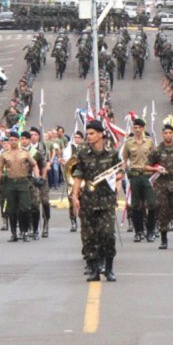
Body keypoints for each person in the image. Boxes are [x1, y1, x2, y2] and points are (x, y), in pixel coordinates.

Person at [71, 120, 122, 281]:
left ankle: (109, 268)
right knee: (89, 236)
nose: (89, 137)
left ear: (101, 134)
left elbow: (120, 171)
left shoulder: (112, 153)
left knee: (107, 235)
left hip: (106, 200)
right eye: (87, 134)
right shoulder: (83, 152)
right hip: (88, 200)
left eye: (92, 134)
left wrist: (114, 177)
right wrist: (74, 196)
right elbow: (78, 174)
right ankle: (93, 269)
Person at [0, 131, 37, 242]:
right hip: (10, 183)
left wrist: (37, 177)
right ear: (8, 141)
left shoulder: (25, 153)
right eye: (11, 140)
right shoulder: (4, 154)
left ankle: (25, 231)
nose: (13, 142)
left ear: (18, 141)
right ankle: (14, 233)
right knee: (11, 209)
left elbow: (34, 165)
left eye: (15, 140)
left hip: (23, 182)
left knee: (25, 208)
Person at [122, 118, 157, 243]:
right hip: (135, 175)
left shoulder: (150, 142)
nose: (137, 130)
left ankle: (151, 231)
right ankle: (138, 231)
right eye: (135, 128)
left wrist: (156, 171)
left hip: (148, 176)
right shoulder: (129, 143)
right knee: (136, 205)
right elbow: (124, 160)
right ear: (133, 129)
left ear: (143, 128)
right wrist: (123, 174)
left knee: (152, 204)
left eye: (139, 128)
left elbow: (155, 158)